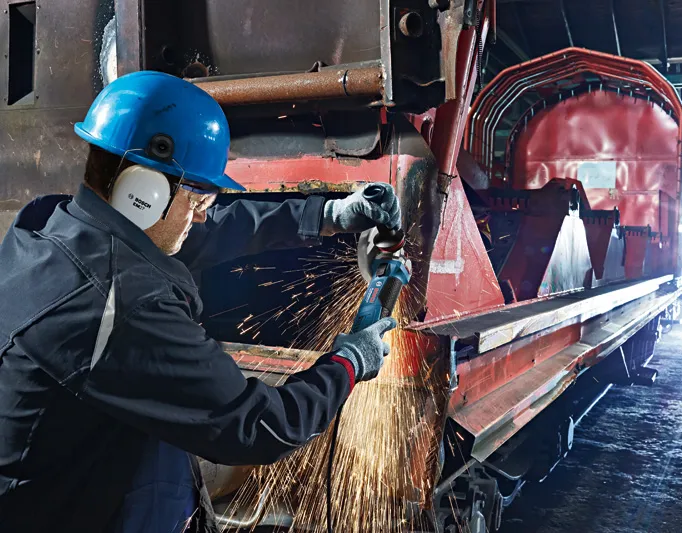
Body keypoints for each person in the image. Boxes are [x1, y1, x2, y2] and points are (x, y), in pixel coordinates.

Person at [0, 71, 401, 533]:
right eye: (198, 193)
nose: (204, 210)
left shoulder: (58, 229)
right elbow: (259, 428)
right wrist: (350, 361)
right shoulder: (122, 308)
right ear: (142, 192)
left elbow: (197, 233)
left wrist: (326, 214)